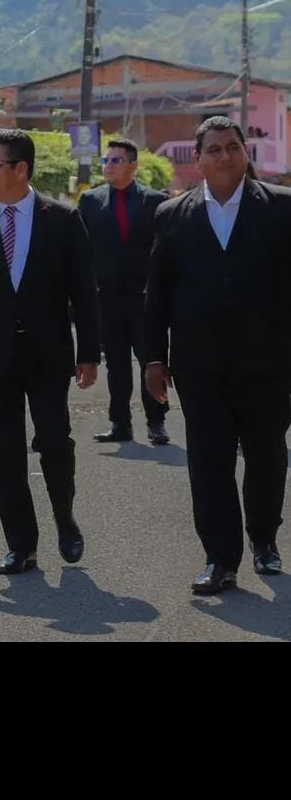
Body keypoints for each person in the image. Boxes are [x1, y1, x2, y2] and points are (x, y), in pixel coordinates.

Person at [0, 129, 100, 575]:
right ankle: (21, 544)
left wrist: (89, 353)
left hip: (48, 354)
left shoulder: (62, 219)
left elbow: (84, 292)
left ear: (21, 169)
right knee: (6, 451)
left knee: (54, 442)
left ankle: (64, 517)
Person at [145, 116, 291, 594]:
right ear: (198, 158)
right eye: (214, 149)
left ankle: (264, 539)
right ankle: (220, 559)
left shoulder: (281, 208)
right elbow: (157, 294)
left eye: (232, 147)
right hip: (199, 364)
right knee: (209, 461)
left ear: (245, 152)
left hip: (268, 363)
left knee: (267, 456)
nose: (224, 156)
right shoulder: (172, 215)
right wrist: (153, 358)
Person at [78, 139, 169, 445]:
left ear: (133, 165)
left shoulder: (155, 201)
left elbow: (165, 250)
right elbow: (81, 250)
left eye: (116, 160)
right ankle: (120, 422)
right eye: (106, 160)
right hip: (107, 298)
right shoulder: (90, 201)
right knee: (116, 365)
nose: (108, 165)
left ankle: (157, 422)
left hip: (145, 298)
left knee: (151, 360)